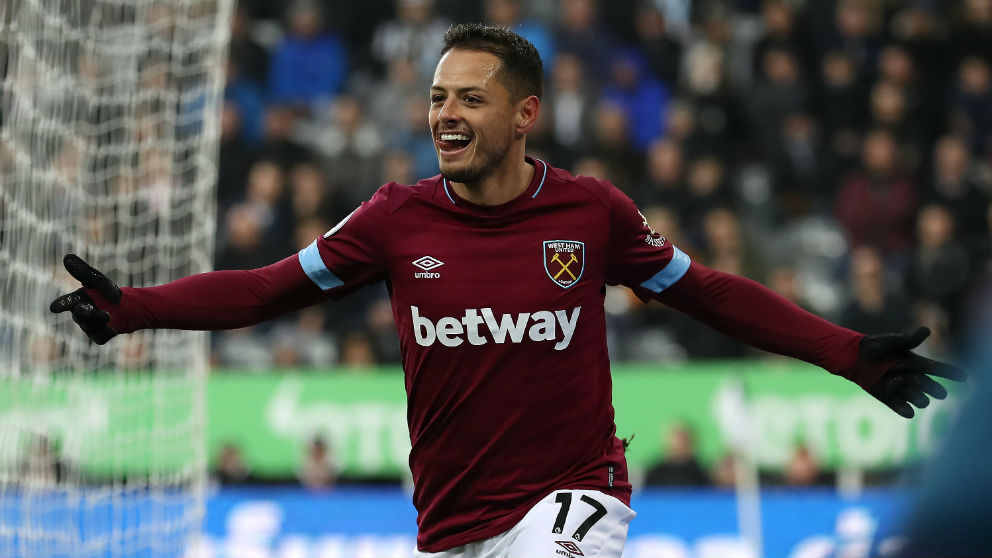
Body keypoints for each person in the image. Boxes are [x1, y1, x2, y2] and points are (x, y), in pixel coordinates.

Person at [50, 24, 963, 558]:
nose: (445, 115)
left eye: (469, 99)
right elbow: (262, 290)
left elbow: (710, 292)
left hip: (576, 494)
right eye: (438, 98)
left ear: (525, 113)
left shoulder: (591, 214)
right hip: (452, 519)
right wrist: (134, 308)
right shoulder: (392, 221)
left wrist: (846, 352)